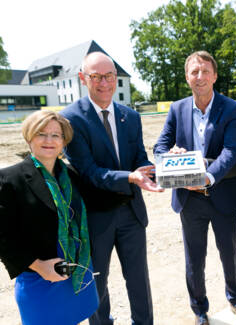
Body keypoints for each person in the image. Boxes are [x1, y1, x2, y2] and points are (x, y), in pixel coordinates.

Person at [61, 52, 162, 325]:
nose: (103, 82)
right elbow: (90, 172)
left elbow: (139, 157)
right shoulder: (70, 119)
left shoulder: (130, 116)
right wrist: (131, 177)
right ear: (83, 78)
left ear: (116, 78)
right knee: (97, 282)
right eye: (96, 76)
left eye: (109, 76)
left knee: (139, 280)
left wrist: (165, 168)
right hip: (96, 217)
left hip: (132, 212)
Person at [154, 51, 236, 325]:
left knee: (230, 255)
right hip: (189, 200)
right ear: (187, 77)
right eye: (194, 72)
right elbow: (159, 147)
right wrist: (171, 155)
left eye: (205, 71)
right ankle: (199, 310)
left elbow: (231, 152)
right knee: (194, 260)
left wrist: (206, 178)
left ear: (215, 75)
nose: (200, 77)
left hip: (221, 195)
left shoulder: (232, 108)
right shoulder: (177, 108)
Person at [0, 110, 99, 325]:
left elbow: (99, 199)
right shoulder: (9, 179)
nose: (49, 140)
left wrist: (135, 178)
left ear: (64, 141)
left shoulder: (70, 175)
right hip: (40, 280)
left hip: (74, 274)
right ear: (29, 137)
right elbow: (3, 238)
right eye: (41, 133)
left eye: (56, 135)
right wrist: (38, 266)